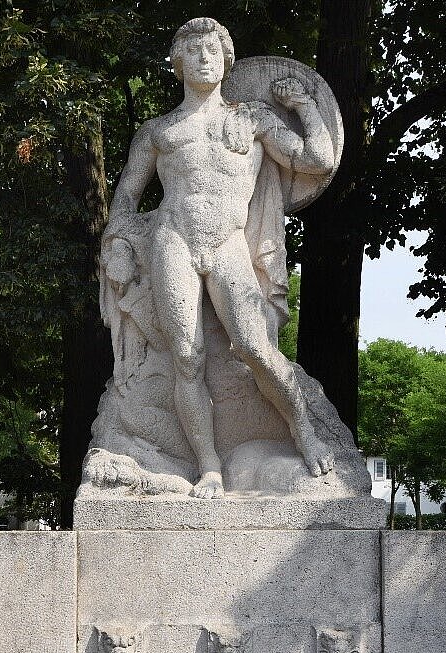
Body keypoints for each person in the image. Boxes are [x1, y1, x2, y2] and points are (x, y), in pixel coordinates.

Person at [101, 17, 336, 499]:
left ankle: (303, 430)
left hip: (228, 244)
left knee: (255, 348)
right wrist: (121, 245)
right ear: (177, 62)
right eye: (193, 49)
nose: (204, 56)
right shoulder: (159, 131)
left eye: (213, 48)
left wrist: (305, 106)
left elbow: (317, 160)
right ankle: (208, 466)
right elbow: (124, 200)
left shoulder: (250, 118)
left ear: (227, 60)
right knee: (187, 358)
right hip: (174, 241)